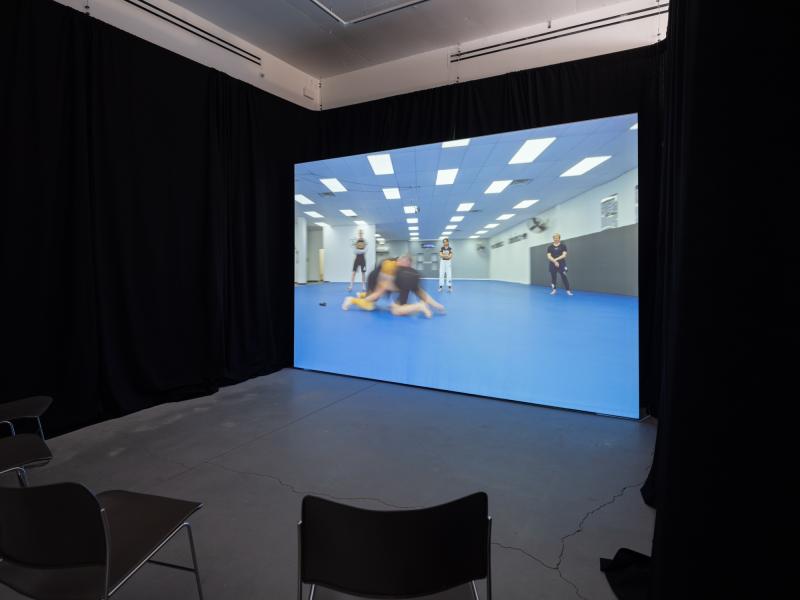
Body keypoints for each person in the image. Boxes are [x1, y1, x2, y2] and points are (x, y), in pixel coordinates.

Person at [342, 255, 444, 317]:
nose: (407, 269)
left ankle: (363, 295)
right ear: (399, 262)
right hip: (374, 280)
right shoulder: (389, 267)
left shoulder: (405, 274)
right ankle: (352, 299)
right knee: (370, 305)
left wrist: (436, 305)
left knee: (393, 305)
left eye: (408, 267)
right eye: (405, 266)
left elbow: (419, 291)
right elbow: (380, 291)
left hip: (388, 282)